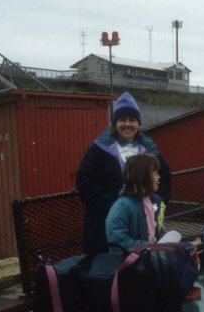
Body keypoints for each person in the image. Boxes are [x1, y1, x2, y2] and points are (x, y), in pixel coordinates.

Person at [76, 91, 171, 255]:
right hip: (105, 221)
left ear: (139, 124)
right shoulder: (100, 148)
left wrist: (158, 204)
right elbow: (84, 182)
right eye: (122, 120)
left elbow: (164, 178)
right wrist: (113, 204)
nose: (127, 124)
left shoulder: (149, 147)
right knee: (109, 267)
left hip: (144, 221)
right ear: (115, 123)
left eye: (132, 120)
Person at [106, 153, 180, 251]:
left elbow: (159, 230)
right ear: (143, 176)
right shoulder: (121, 206)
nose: (159, 177)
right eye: (155, 173)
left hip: (151, 258)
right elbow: (116, 240)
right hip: (132, 263)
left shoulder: (156, 201)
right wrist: (146, 246)